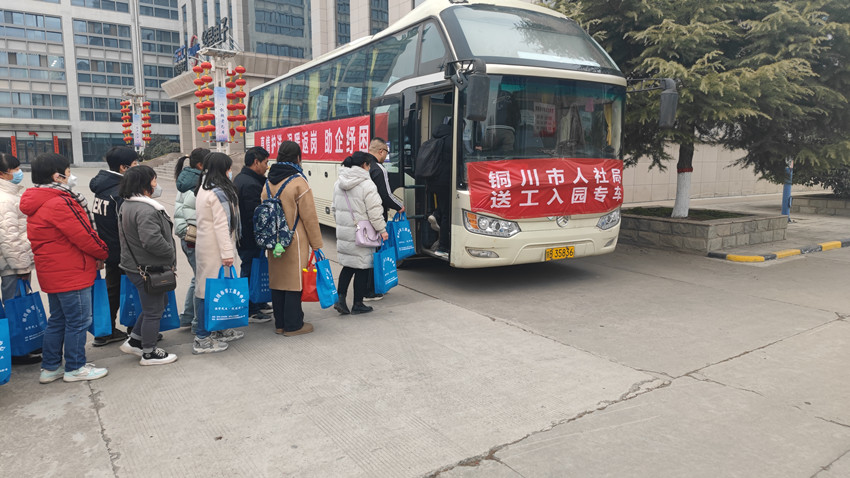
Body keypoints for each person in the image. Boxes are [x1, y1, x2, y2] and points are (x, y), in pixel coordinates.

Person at [20, 153, 110, 383]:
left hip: (54, 271)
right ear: (57, 175)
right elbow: (83, 235)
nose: (70, 175)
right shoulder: (59, 201)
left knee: (58, 319)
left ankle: (50, 367)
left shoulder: (39, 199)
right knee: (78, 320)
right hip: (71, 271)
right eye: (67, 171)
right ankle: (75, 366)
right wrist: (103, 252)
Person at [116, 166, 178, 365]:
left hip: (136, 265)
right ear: (144, 183)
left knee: (159, 304)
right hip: (148, 267)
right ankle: (149, 352)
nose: (156, 184)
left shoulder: (128, 204)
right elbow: (151, 241)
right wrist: (170, 252)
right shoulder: (145, 209)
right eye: (154, 180)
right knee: (153, 310)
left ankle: (135, 340)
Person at [263, 141, 323, 336]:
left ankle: (279, 324)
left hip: (273, 240)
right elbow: (309, 217)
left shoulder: (268, 181)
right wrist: (317, 245)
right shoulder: (298, 181)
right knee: (294, 282)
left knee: (278, 281)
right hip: (294, 239)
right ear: (298, 157)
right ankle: (293, 325)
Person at [192, 152, 244, 353]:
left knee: (208, 289)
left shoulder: (205, 189)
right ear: (223, 169)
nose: (231, 172)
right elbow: (222, 226)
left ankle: (219, 329)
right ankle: (202, 337)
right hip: (215, 249)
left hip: (207, 246)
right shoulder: (217, 194)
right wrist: (227, 253)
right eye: (229, 168)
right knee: (208, 292)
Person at [89, 146, 138, 347]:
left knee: (113, 290)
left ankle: (105, 331)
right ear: (123, 167)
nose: (137, 168)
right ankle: (135, 330)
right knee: (131, 292)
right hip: (124, 251)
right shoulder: (119, 192)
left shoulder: (102, 188)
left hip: (109, 248)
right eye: (135, 165)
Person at [332, 151, 389, 315]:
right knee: (363, 268)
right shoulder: (367, 185)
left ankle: (341, 300)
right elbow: (375, 212)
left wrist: (343, 224)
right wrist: (382, 230)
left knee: (348, 266)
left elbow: (334, 208)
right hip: (363, 233)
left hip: (345, 231)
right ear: (365, 165)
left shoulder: (338, 183)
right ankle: (358, 303)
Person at [0, 152, 39, 365]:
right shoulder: (5, 199)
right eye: (14, 170)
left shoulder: (9, 195)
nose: (18, 173)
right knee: (15, 305)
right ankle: (18, 350)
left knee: (15, 303)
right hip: (11, 264)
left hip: (11, 261)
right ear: (3, 174)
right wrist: (21, 266)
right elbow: (9, 238)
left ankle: (22, 345)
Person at [233, 146, 273, 323]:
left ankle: (258, 301)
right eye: (265, 163)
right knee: (250, 271)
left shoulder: (243, 179)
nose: (267, 166)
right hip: (250, 238)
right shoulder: (250, 184)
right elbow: (252, 217)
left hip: (246, 237)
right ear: (256, 162)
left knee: (253, 270)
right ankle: (251, 308)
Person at [364, 138, 405, 300]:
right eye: (386, 152)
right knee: (375, 253)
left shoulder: (364, 167)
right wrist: (399, 205)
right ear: (381, 151)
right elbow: (386, 195)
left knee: (367, 254)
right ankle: (371, 290)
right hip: (376, 217)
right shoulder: (379, 169)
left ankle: (369, 288)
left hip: (363, 217)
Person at [174, 147, 208, 331]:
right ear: (201, 165)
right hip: (193, 238)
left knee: (197, 278)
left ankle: (188, 316)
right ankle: (197, 322)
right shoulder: (196, 183)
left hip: (187, 237)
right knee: (201, 280)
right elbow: (196, 215)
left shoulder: (186, 179)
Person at [426, 122, 453, 259]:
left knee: (443, 207)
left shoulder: (435, 139)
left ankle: (436, 214)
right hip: (447, 182)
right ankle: (443, 247)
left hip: (433, 181)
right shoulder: (451, 140)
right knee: (448, 214)